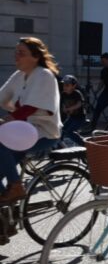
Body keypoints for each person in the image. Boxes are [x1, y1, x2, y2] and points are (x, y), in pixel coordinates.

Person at [0, 38, 62, 202]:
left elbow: (31, 108)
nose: (16, 56)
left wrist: (9, 118)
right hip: (22, 131)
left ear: (35, 56)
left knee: (1, 142)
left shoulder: (44, 75)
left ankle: (16, 186)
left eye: (21, 53)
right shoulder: (19, 75)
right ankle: (7, 221)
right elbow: (1, 96)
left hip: (44, 133)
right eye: (16, 52)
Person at [60, 75, 87, 146]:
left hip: (80, 118)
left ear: (73, 86)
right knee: (62, 129)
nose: (65, 87)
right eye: (64, 85)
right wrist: (64, 109)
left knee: (69, 132)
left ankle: (84, 144)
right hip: (72, 117)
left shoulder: (76, 93)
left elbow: (79, 104)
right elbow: (63, 105)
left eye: (67, 85)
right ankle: (60, 144)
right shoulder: (63, 94)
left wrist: (69, 109)